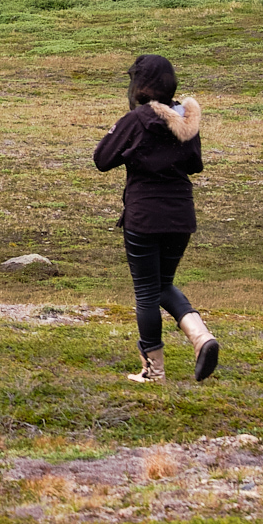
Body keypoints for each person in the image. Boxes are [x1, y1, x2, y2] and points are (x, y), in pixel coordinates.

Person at [94, 54, 219, 383]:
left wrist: (132, 148)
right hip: (181, 215)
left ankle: (154, 370)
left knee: (147, 292)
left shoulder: (136, 119)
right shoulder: (186, 119)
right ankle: (201, 337)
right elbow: (195, 164)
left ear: (140, 86)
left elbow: (102, 159)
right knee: (162, 284)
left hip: (145, 215)